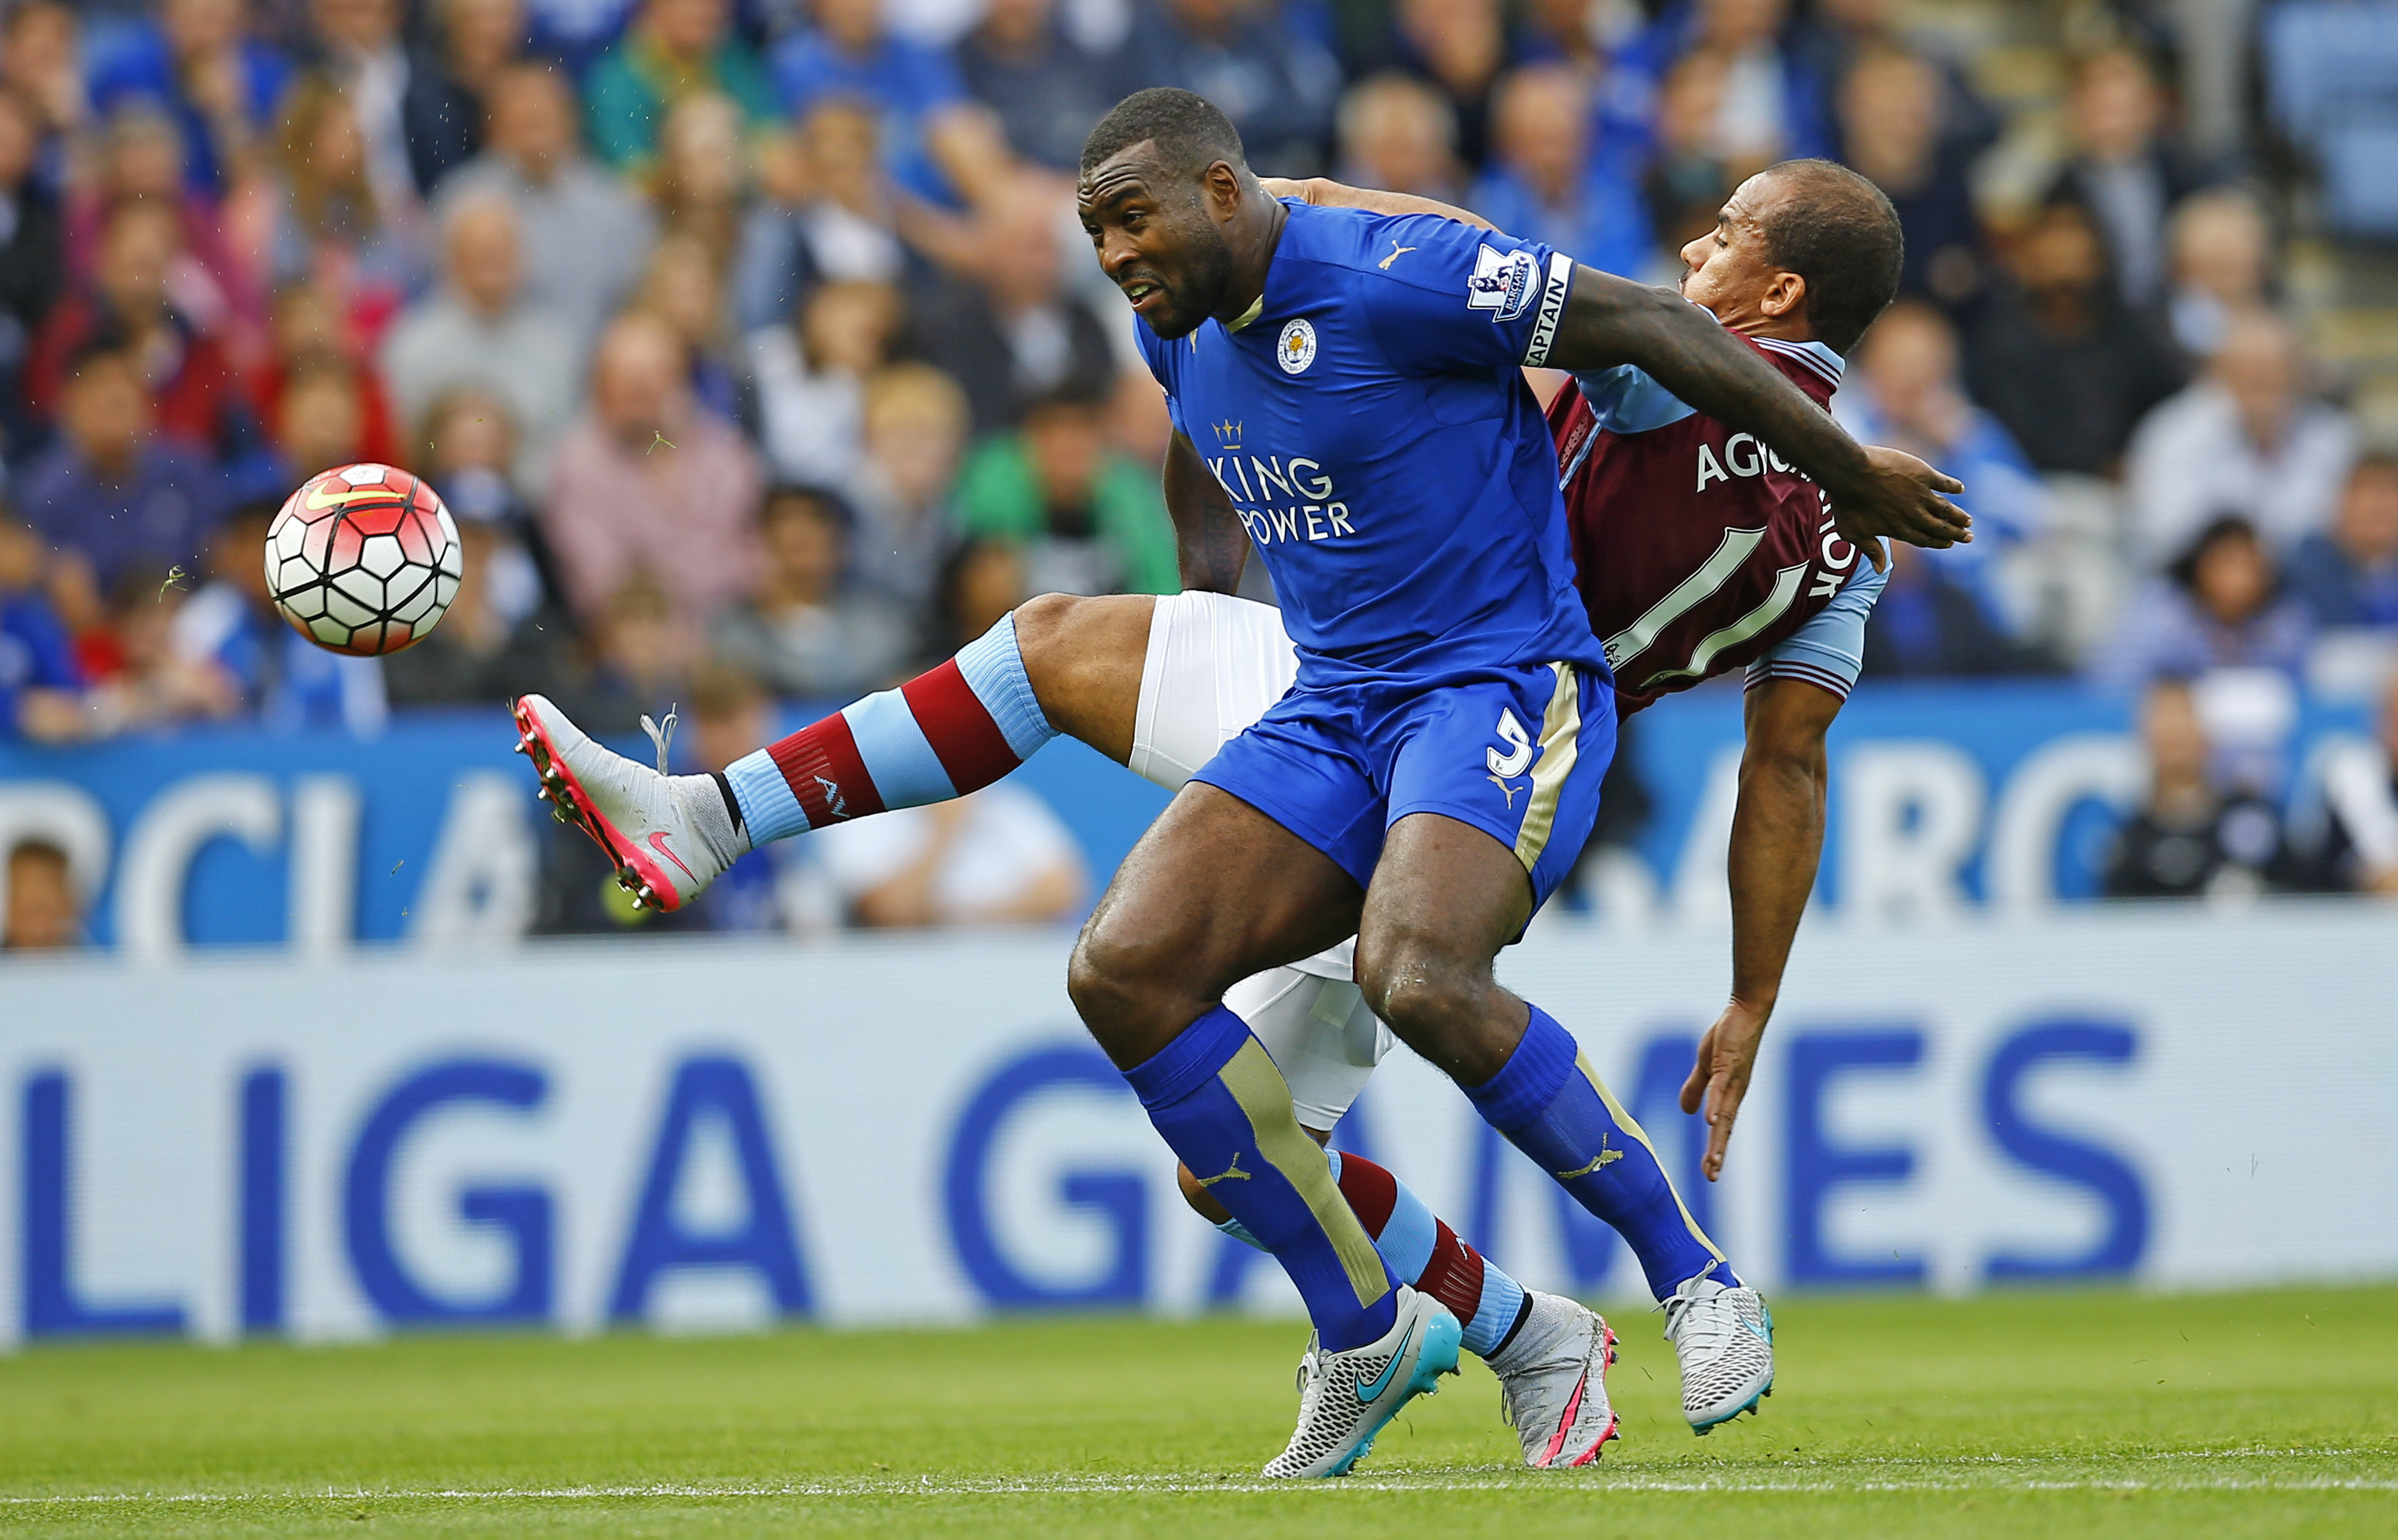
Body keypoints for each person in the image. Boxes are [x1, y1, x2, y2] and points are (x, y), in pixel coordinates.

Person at [509, 106, 1967, 1473]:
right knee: (1078, 734)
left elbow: (1521, 285)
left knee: (1288, 1061)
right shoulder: (1842, 549)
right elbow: (1785, 763)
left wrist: (1320, 205)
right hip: (1341, 684)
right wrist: (1750, 993)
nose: (1693, 249)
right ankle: (1512, 1332)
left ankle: (1602, 1306)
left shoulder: (1664, 365)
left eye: (1721, 234)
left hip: (1494, 708)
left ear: (1774, 293)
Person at [540, 310, 762, 632]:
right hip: (626, 641)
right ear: (600, 387)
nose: (640, 392)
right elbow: (602, 584)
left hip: (727, 634)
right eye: (626, 380)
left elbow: (750, 566)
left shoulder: (725, 456)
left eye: (652, 377)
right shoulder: (577, 463)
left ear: (680, 381)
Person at [433, 61, 654, 348]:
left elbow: (634, 305)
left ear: (571, 119)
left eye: (544, 109)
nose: (534, 117)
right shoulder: (461, 200)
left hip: (594, 372)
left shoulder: (614, 206)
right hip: (487, 369)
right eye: (521, 112)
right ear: (494, 125)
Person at [2123, 311, 2357, 569]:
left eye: (2279, 368)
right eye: (2251, 369)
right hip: (2196, 586)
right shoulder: (2174, 435)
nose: (2266, 380)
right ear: (2220, 372)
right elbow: (2170, 536)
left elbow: (2353, 530)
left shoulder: (2331, 435)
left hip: (2305, 584)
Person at [378, 194, 580, 493]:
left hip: (535, 508)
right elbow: (404, 444)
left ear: (523, 258)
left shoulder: (557, 344)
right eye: (480, 253)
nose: (492, 264)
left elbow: (565, 443)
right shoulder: (411, 345)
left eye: (502, 252)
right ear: (451, 257)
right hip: (436, 505)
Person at [1965, 200, 2181, 478]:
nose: (2065, 256)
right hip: (2041, 483)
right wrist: (2099, 466)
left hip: (2135, 476)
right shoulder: (2002, 341)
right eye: (2052, 249)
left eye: (2076, 246)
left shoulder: (2128, 331)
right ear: (2028, 260)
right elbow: (2015, 434)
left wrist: (2139, 456)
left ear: (2099, 256)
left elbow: (2167, 401)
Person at [952, 383, 1177, 598]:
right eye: (1056, 431)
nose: (1071, 446)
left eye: (1085, 432)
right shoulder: (994, 489)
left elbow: (1160, 591)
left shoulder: (1130, 496)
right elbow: (981, 596)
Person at [707, 485, 917, 700]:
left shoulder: (883, 627)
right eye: (785, 522)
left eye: (818, 521)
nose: (803, 532)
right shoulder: (732, 635)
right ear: (760, 540)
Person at [2101, 676, 2290, 900]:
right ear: (2146, 740)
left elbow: (2309, 900)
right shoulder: (2132, 845)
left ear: (2209, 731)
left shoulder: (2254, 819)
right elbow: (2117, 924)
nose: (2175, 731)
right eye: (2163, 720)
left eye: (2184, 716)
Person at [1467, 63, 1650, 283]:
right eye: (1539, 121)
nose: (1555, 126)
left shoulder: (1621, 195)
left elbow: (1634, 271)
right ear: (1508, 139)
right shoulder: (1485, 209)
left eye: (1565, 118)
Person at [2092, 516, 2314, 693]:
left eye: (2251, 565)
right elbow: (2111, 685)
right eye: (2229, 564)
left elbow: (2305, 693)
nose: (2241, 579)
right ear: (2200, 567)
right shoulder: (2163, 613)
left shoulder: (2284, 622)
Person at [582, 0, 776, 174]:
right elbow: (634, 175)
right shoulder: (615, 82)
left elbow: (774, 143)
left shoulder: (733, 61)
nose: (706, 12)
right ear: (653, 6)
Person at [0, 508, 86, 743]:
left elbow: (68, 686)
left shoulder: (31, 616)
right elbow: (26, 712)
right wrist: (15, 710)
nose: (30, 553)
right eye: (16, 542)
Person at [2289, 455, 2398, 632]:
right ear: (2344, 501)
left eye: (2391, 490)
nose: (2382, 504)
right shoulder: (2305, 572)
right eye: (2371, 490)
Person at [1, 838, 80, 949]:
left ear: (67, 903)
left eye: (43, 908)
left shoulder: (96, 961)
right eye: (28, 910)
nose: (37, 924)